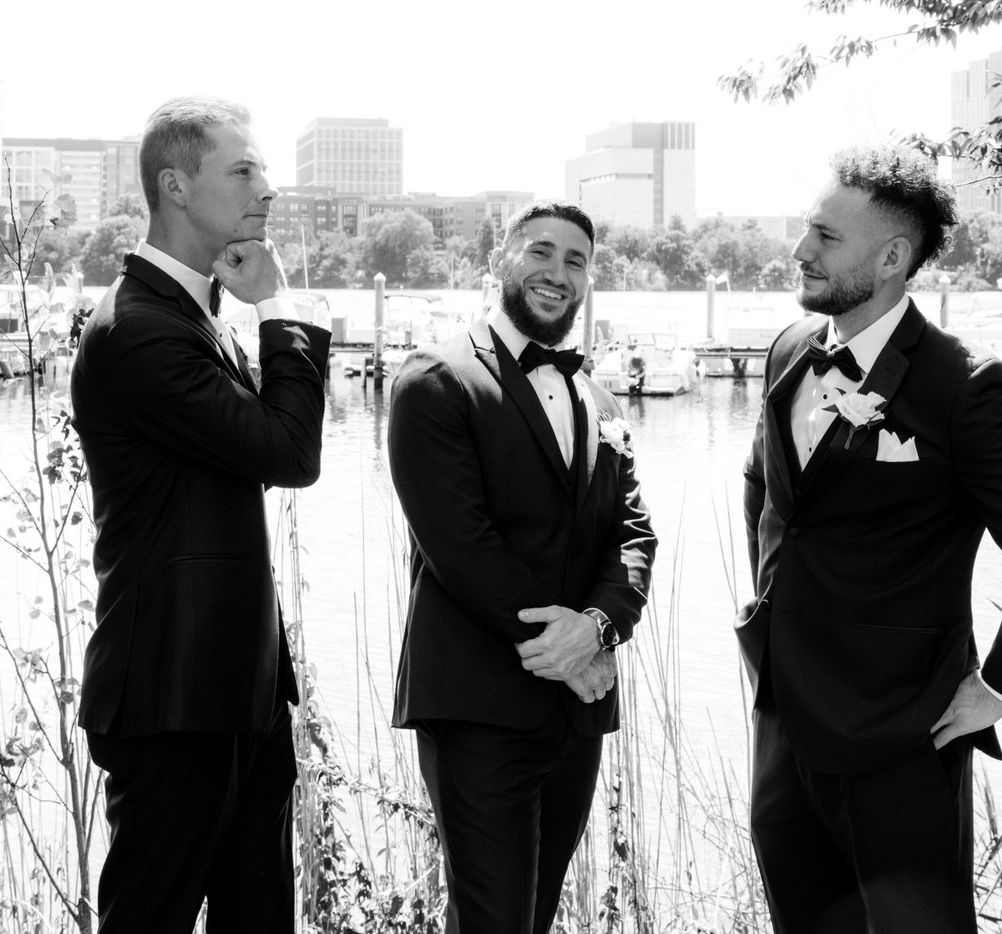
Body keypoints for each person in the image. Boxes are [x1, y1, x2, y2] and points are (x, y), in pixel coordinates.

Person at [738, 145, 1002, 933]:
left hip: (901, 737)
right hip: (785, 721)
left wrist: (999, 687)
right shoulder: (791, 351)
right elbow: (766, 488)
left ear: (893, 256)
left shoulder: (964, 385)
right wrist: (771, 612)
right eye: (807, 229)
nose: (800, 250)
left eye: (826, 237)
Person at [70, 97, 332, 934]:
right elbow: (289, 453)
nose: (268, 189)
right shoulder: (138, 329)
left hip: (237, 691)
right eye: (245, 170)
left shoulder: (191, 316)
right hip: (171, 697)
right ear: (176, 186)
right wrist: (279, 308)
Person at [387, 200, 658, 934]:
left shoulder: (597, 396)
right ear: (500, 263)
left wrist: (599, 626)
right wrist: (567, 652)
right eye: (540, 252)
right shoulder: (435, 380)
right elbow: (462, 547)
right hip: (478, 704)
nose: (558, 272)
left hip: (575, 714)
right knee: (492, 920)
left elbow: (633, 535)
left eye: (576, 260)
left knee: (532, 917)